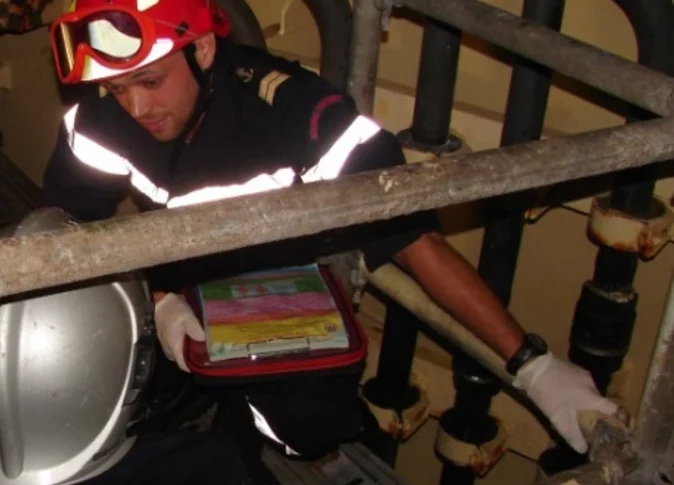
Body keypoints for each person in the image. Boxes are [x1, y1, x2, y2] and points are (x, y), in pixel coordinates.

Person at [40, 0, 623, 472]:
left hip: (276, 280)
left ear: (203, 48)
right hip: (168, 278)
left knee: (311, 425)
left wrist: (531, 367)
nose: (137, 106)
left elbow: (415, 243)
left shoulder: (299, 115)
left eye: (151, 80)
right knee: (89, 393)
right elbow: (69, 224)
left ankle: (249, 421)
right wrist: (158, 300)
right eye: (117, 88)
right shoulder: (101, 120)